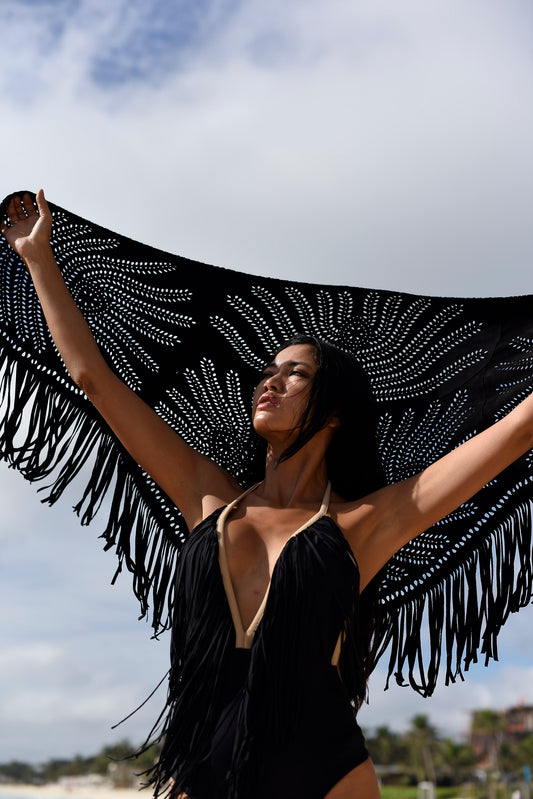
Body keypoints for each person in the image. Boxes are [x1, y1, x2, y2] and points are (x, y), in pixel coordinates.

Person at [2, 190, 533, 799]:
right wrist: (40, 261)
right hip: (199, 764)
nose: (270, 382)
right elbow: (92, 379)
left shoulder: (367, 523)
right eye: (268, 371)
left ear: (332, 412)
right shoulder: (207, 496)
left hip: (324, 769)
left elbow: (519, 429)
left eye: (295, 374)